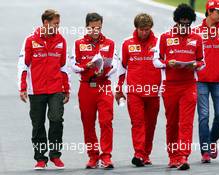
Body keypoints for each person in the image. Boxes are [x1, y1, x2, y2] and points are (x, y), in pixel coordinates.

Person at [153, 4, 204, 170]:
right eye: (182, 23)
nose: (184, 26)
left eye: (188, 23)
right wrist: (169, 63)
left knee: (186, 122)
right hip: (170, 86)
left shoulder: (197, 38)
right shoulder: (165, 37)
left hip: (189, 85)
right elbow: (156, 61)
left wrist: (194, 65)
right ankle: (173, 155)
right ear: (176, 21)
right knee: (172, 122)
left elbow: (203, 62)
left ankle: (183, 156)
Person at [17, 9, 70, 170]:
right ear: (46, 23)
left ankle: (55, 155)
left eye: (58, 24)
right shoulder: (30, 40)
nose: (57, 27)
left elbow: (64, 67)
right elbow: (23, 65)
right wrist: (23, 87)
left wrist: (66, 89)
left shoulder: (61, 40)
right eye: (55, 24)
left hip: (55, 89)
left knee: (56, 120)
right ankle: (40, 158)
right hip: (36, 90)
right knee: (38, 124)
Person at [71, 12, 117, 169]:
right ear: (87, 27)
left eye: (98, 27)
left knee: (106, 121)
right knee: (88, 123)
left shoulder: (110, 43)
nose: (95, 30)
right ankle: (93, 156)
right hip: (86, 87)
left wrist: (104, 71)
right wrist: (87, 67)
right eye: (92, 28)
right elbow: (73, 66)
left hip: (104, 85)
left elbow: (115, 65)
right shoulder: (78, 43)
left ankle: (106, 156)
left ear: (101, 26)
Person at [115, 13, 161, 167]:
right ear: (136, 28)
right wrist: (119, 89)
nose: (144, 32)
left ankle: (146, 154)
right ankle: (139, 154)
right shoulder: (127, 43)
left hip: (154, 91)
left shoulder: (158, 43)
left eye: (147, 29)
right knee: (138, 123)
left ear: (150, 28)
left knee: (151, 124)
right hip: (134, 92)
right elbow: (121, 68)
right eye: (141, 29)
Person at [193, 0, 219, 163]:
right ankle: (205, 152)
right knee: (203, 115)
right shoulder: (195, 31)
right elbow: (191, 54)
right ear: (209, 11)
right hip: (201, 80)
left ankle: (212, 141)